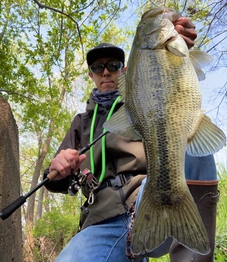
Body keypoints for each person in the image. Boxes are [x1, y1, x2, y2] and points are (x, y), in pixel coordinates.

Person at [44, 17, 219, 262]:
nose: (105, 71)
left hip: (149, 196)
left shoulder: (146, 99)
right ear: (91, 75)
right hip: (101, 220)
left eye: (113, 65)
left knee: (186, 139)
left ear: (125, 70)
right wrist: (56, 169)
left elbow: (169, 80)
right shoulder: (80, 123)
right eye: (97, 67)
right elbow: (55, 182)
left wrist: (175, 49)